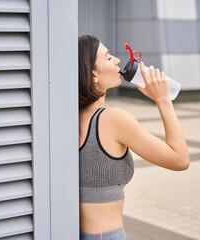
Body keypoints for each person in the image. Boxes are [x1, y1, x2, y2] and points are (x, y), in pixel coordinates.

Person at [78, 35, 190, 240]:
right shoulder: (113, 120)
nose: (117, 60)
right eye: (108, 57)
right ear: (93, 74)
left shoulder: (73, 118)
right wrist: (163, 99)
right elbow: (180, 159)